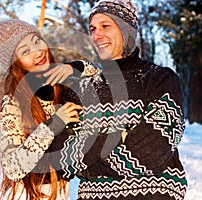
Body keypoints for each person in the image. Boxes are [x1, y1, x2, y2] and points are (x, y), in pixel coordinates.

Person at [47, 0, 188, 199]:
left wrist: (89, 151)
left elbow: (153, 152)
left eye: (106, 26)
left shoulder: (160, 79)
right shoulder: (81, 90)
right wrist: (118, 137)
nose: (97, 35)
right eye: (93, 28)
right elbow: (61, 160)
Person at [0, 19, 99, 200]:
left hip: (66, 189)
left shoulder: (61, 84)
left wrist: (74, 67)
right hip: (34, 193)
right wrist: (53, 125)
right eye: (25, 51)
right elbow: (13, 169)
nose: (38, 52)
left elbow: (100, 79)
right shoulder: (13, 103)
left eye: (37, 41)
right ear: (16, 64)